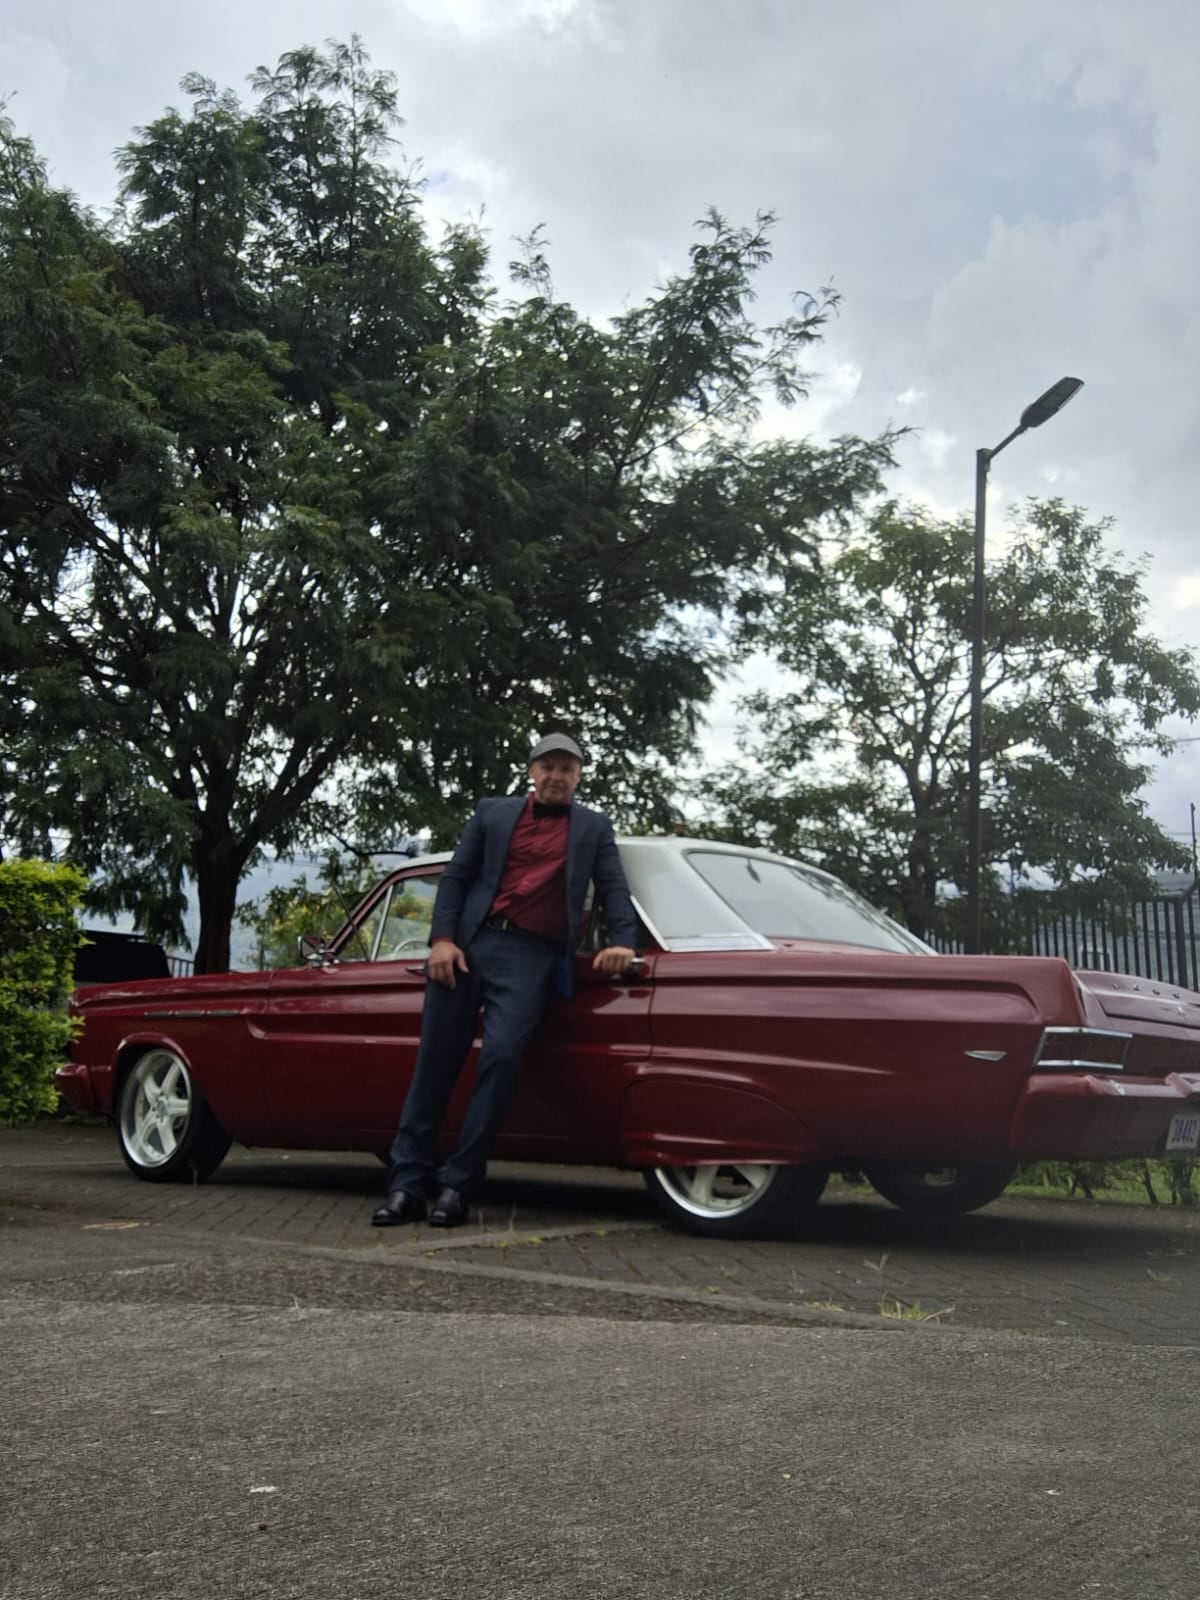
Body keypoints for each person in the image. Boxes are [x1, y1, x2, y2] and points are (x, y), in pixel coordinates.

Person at [372, 733, 638, 1229]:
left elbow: (614, 887)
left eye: (567, 768)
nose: (557, 775)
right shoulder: (491, 813)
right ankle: (407, 1185)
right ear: (531, 771)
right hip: (467, 947)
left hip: (532, 955)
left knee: (502, 1058)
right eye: (548, 766)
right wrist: (441, 940)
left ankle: (457, 1186)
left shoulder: (593, 827)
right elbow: (456, 877)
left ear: (579, 776)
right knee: (434, 1062)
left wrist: (622, 942)